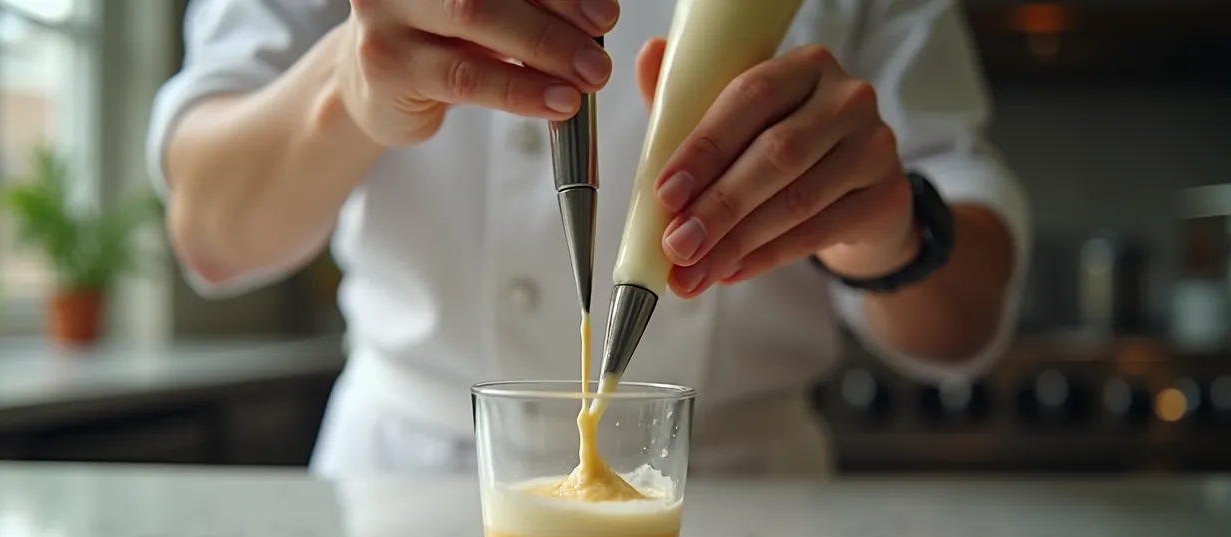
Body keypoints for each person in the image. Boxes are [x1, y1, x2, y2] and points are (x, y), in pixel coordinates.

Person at [148, 0, 1029, 477]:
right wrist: (348, 83)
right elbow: (211, 233)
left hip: (749, 504)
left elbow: (964, 324)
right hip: (399, 495)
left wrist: (884, 229)